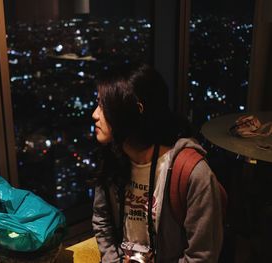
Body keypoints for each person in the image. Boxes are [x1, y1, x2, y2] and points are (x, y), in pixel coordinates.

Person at [91, 64, 223, 263]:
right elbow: (102, 220)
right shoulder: (113, 159)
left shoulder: (192, 173)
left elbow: (201, 256)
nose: (95, 114)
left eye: (104, 106)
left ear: (135, 111)